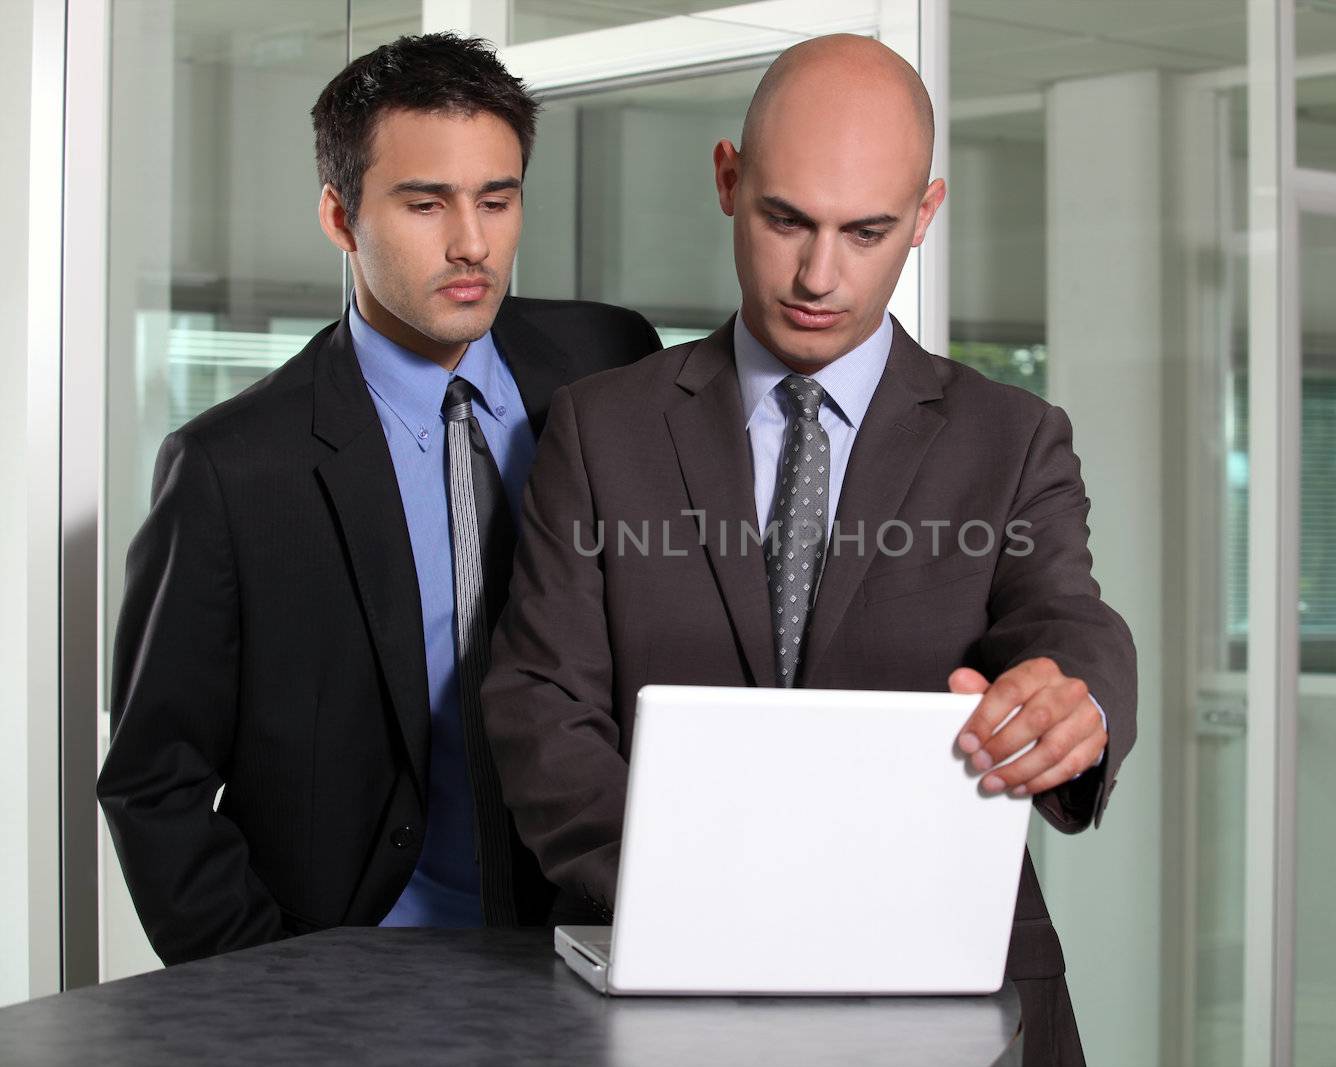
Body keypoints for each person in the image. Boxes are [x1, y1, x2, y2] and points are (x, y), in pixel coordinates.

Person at [480, 33, 1135, 1067]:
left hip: (957, 986)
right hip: (664, 986)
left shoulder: (1011, 437)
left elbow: (1064, 616)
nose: (817, 274)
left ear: (924, 215)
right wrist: (704, 890)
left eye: (866, 231)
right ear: (728, 181)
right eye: (786, 219)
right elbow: (539, 704)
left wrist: (1074, 692)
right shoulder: (598, 428)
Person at [97, 33, 660, 965]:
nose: (472, 242)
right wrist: (265, 984)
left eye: (497, 198)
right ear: (340, 215)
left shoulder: (611, 357)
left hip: (603, 939)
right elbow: (155, 778)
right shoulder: (232, 467)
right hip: (362, 960)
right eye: (425, 202)